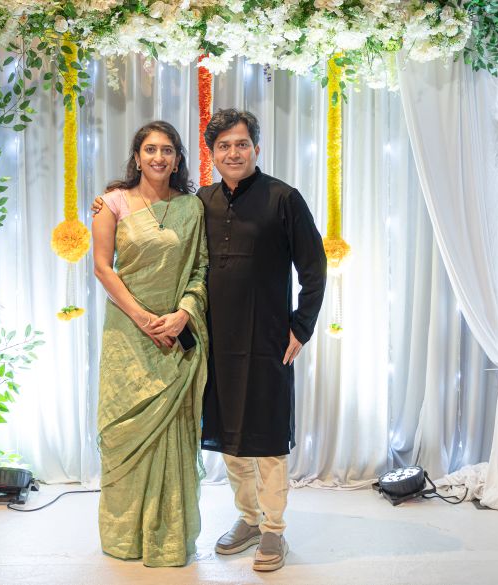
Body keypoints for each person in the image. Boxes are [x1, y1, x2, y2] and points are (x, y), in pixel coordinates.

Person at [94, 109, 327, 572]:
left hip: (266, 342)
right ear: (211, 153)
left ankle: (274, 530)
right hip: (212, 341)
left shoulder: (284, 198)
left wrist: (300, 327)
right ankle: (249, 519)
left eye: (241, 144)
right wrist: (110, 201)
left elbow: (314, 267)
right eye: (223, 146)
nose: (233, 153)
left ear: (256, 147)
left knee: (267, 439)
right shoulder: (202, 201)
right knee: (231, 439)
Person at [91, 120, 209, 568]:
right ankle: (124, 536)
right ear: (137, 157)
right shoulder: (112, 203)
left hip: (174, 335)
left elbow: (200, 268)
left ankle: (168, 537)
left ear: (177, 160)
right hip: (127, 333)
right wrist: (143, 319)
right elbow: (103, 268)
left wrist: (183, 315)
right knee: (124, 427)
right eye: (150, 150)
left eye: (167, 150)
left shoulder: (191, 208)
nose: (159, 157)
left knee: (172, 431)